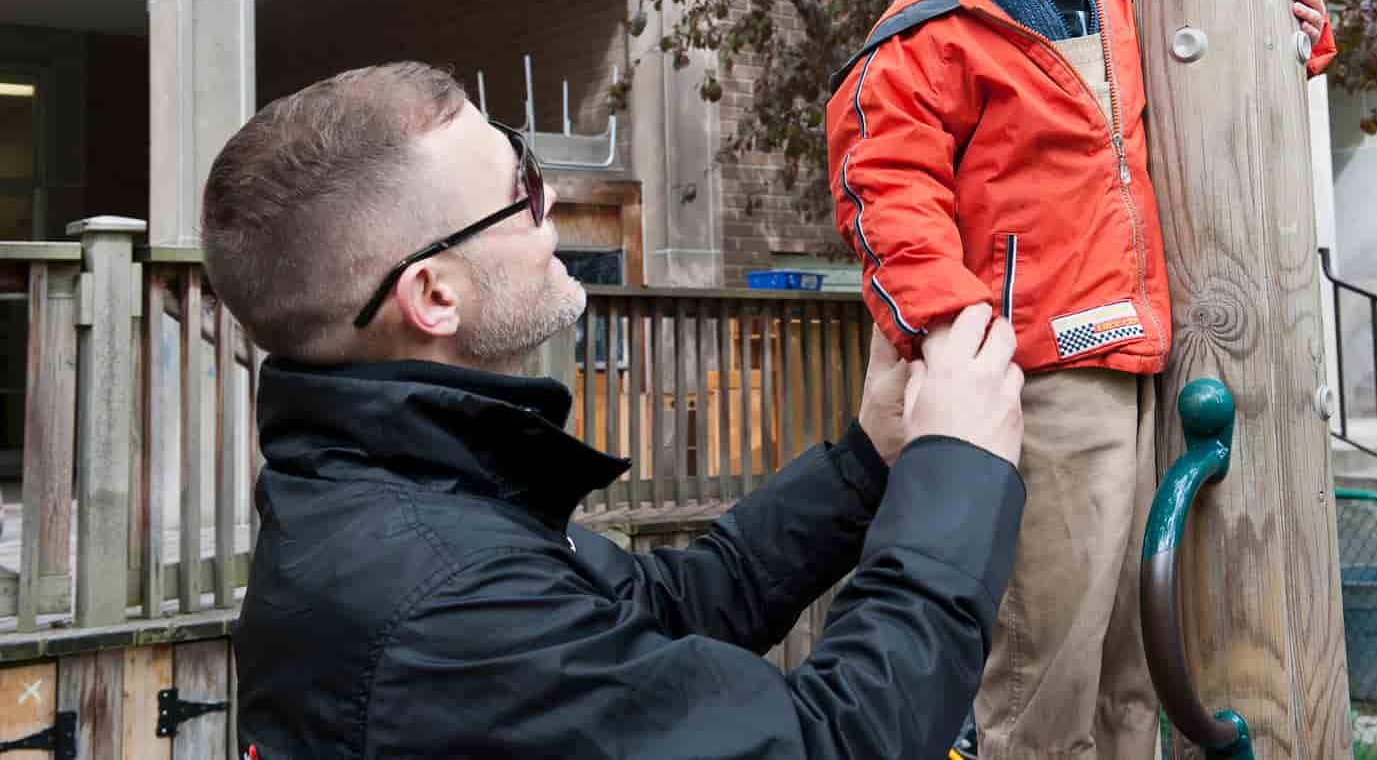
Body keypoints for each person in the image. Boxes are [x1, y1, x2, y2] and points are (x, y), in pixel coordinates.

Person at [206, 61, 1030, 759]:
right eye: (519, 188)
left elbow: (655, 612)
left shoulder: (408, 496)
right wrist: (958, 469)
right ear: (433, 294)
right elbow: (825, 743)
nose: (552, 200)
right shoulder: (443, 607)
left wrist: (865, 464)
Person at [825, 0, 1336, 759]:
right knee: (1045, 649)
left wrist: (1291, 24)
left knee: (1139, 649)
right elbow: (886, 186)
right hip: (1039, 375)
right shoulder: (931, 35)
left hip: (1151, 358)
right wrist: (959, 331)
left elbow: (1218, 74)